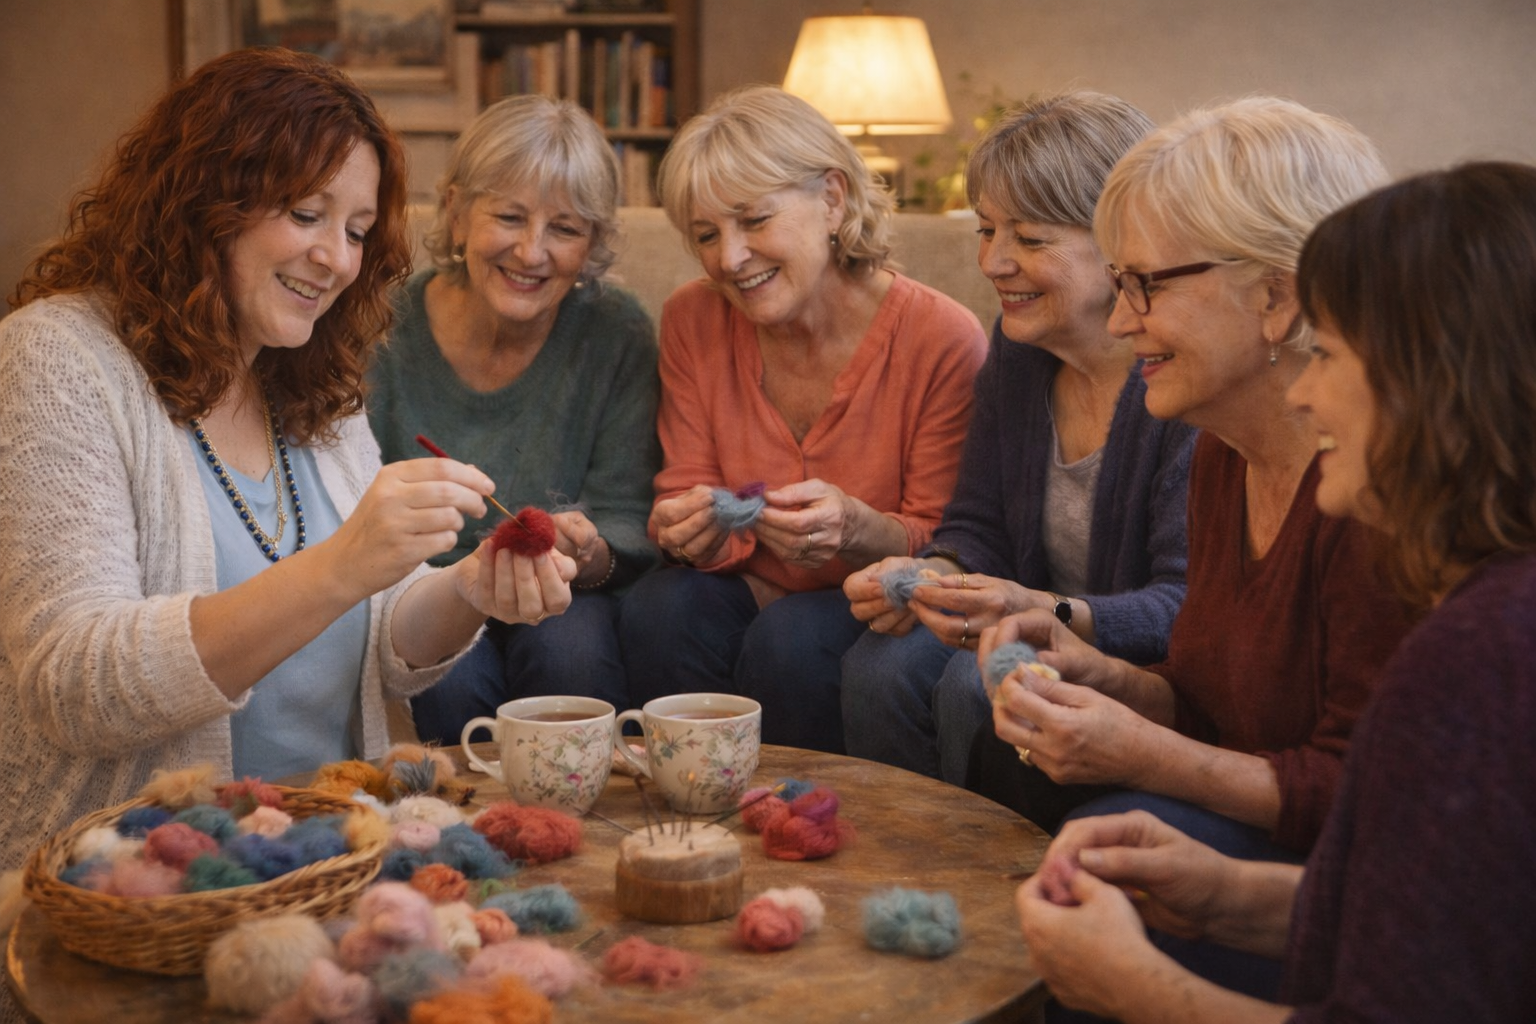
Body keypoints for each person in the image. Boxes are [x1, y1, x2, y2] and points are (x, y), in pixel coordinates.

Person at [0, 49, 573, 893]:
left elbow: (384, 645)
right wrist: (341, 565)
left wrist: (468, 591)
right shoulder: (58, 359)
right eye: (307, 213)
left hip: (331, 867)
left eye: (354, 230)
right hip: (139, 887)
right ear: (204, 199)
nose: (336, 260)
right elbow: (77, 685)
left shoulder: (310, 384)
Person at [1013, 160, 1536, 1024]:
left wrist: (1135, 989)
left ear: (1437, 385)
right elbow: (1433, 917)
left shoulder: (1486, 648)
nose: (1303, 388)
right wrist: (1225, 895)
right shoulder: (1490, 613)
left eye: (1328, 355)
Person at [972, 98, 1415, 1007]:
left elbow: (1372, 806)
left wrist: (1142, 754)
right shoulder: (1224, 450)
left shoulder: (1374, 495)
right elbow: (1216, 702)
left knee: (1104, 850)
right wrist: (1107, 679)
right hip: (1275, 848)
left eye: (1147, 285)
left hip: (1359, 879)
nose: (1123, 319)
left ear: (1278, 296)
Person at [616, 85, 988, 753]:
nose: (729, 258)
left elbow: (947, 543)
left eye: (753, 221)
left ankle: (801, 828)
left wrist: (855, 525)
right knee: (660, 607)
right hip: (745, 585)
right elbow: (685, 491)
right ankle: (690, 811)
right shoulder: (692, 320)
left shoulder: (941, 337)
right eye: (706, 234)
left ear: (833, 200)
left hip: (878, 598)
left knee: (793, 637)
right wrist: (686, 530)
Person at [840, 92, 1196, 785]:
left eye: (1030, 240)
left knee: (978, 688)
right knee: (876, 665)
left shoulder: (1183, 386)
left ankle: (997, 883)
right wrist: (935, 577)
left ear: (1127, 244)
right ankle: (903, 874)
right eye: (986, 231)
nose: (994, 262)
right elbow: (977, 525)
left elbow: (1182, 606)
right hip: (1028, 622)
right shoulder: (1021, 347)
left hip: (1139, 660)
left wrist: (1044, 611)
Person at [367, 95, 660, 744]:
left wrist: (584, 553)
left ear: (592, 244)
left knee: (571, 653)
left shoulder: (618, 334)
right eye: (509, 216)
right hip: (418, 593)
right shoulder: (379, 328)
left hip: (563, 595)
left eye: (565, 228)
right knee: (449, 679)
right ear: (456, 211)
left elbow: (627, 518)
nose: (532, 252)